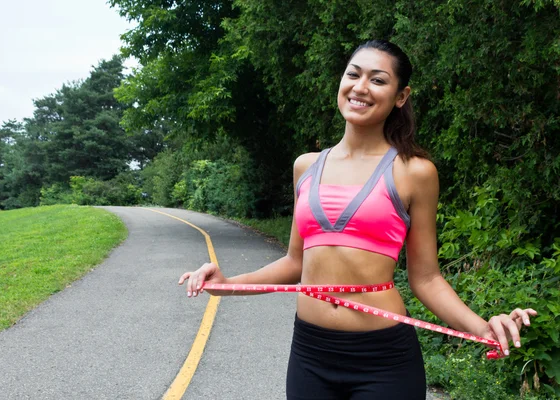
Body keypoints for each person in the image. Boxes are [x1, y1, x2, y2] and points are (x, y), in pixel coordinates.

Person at [178, 39, 537, 400]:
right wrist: (229, 284)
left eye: (378, 80)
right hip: (310, 353)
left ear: (401, 96)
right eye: (353, 74)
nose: (360, 87)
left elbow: (426, 277)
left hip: (384, 360)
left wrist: (483, 327)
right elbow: (296, 261)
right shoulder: (306, 166)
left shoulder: (415, 172)